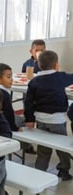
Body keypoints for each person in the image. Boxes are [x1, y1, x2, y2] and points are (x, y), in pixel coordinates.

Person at [24, 50, 73, 180]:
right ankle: (64, 170)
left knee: (43, 148)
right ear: (56, 65)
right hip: (57, 120)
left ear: (37, 65)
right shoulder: (61, 77)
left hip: (40, 119)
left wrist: (29, 119)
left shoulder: (34, 82)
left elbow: (28, 103)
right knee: (62, 147)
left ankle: (40, 171)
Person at [0, 63, 36, 154]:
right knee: (24, 120)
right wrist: (14, 128)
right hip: (2, 123)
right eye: (8, 77)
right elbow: (9, 114)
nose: (11, 80)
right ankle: (24, 146)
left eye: (11, 77)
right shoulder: (4, 94)